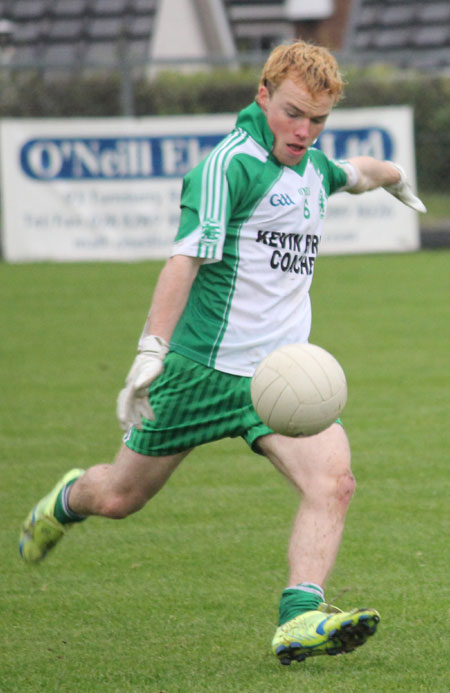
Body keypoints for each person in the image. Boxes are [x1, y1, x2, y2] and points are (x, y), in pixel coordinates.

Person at [19, 41, 425, 665]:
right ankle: (68, 499)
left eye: (317, 120)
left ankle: (300, 616)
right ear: (263, 94)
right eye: (292, 113)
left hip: (281, 377)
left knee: (334, 482)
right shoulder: (226, 167)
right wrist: (150, 351)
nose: (303, 131)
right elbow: (185, 256)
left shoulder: (312, 167)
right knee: (121, 498)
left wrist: (395, 178)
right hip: (200, 371)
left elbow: (354, 173)